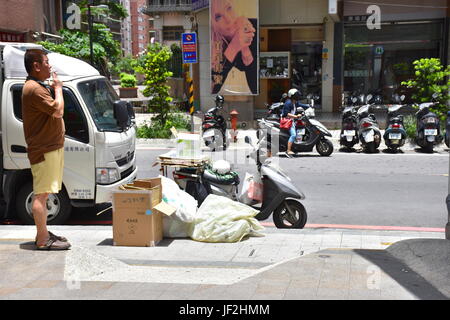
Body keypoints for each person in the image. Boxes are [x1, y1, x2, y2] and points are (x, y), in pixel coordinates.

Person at [22, 49, 70, 250]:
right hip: (44, 150)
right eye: (47, 62)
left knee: (46, 192)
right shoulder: (34, 88)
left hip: (50, 147)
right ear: (36, 66)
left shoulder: (37, 86)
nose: (50, 66)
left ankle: (42, 233)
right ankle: (42, 240)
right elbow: (58, 111)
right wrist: (58, 89)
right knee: (41, 194)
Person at [211, 0, 258, 95]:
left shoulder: (253, 26)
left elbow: (255, 87)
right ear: (214, 25)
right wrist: (233, 48)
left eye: (229, 8)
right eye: (219, 17)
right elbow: (214, 88)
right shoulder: (216, 44)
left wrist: (245, 48)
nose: (228, 19)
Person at [281, 88, 310, 157]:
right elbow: (286, 114)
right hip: (287, 121)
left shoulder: (294, 102)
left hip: (292, 120)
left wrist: (308, 106)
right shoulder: (288, 103)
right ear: (293, 96)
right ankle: (288, 150)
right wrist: (296, 116)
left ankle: (295, 147)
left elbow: (301, 105)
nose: (298, 96)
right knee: (293, 135)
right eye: (297, 95)